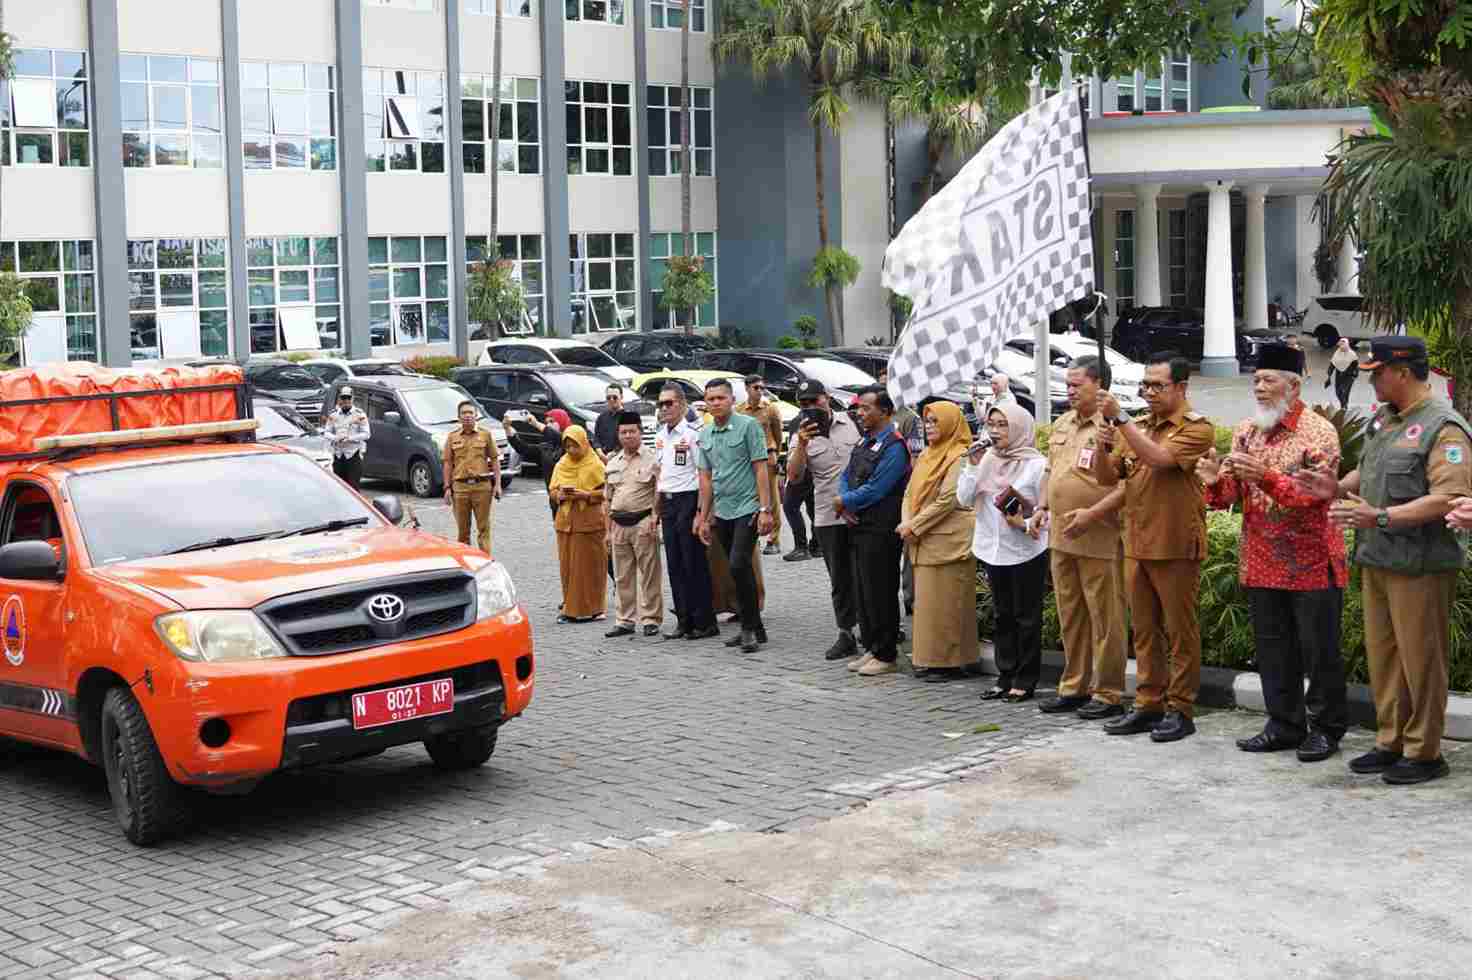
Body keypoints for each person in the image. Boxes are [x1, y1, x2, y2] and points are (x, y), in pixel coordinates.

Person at [1296, 335, 1472, 784]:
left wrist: (1381, 517)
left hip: (1420, 564)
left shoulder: (1443, 427)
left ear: (1404, 371)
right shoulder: (1385, 418)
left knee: (1421, 661)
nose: (1370, 381)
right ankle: (1390, 740)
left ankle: (1425, 751)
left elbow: (1450, 497)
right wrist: (1334, 487)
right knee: (1385, 658)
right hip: (1378, 558)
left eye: (1378, 374)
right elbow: (1370, 468)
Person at [1198, 345, 1349, 762]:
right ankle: (1283, 724)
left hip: (1311, 559)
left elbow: (1309, 496)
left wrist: (1265, 476)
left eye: (1268, 380)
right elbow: (1230, 492)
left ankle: (1327, 728)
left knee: (1319, 650)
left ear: (1293, 385)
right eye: (1256, 380)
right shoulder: (1248, 430)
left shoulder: (1318, 433)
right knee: (1273, 648)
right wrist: (1214, 481)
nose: (1259, 388)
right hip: (1262, 558)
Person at [1093, 353, 1216, 742]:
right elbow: (1107, 477)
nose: (1149, 393)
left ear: (1181, 387)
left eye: (1157, 386)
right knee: (1144, 631)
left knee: (1180, 632)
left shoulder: (1197, 429)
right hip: (1138, 542)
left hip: (1176, 544)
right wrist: (1101, 445)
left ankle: (1181, 707)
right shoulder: (1140, 426)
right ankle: (1148, 703)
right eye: (1145, 385)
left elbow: (1160, 459)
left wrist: (1123, 422)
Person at [1032, 356, 1128, 720]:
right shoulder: (1063, 423)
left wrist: (1092, 514)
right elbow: (1050, 472)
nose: (1069, 391)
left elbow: (1127, 486)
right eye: (1067, 384)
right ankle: (1073, 686)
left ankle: (1108, 692)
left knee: (1106, 617)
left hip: (1099, 535)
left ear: (1100, 385)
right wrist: (1041, 506)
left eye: (1077, 385)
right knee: (1070, 615)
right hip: (1061, 534)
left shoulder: (1115, 428)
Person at [959, 403, 1048, 701]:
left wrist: (1023, 521)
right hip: (993, 549)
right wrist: (972, 465)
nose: (994, 432)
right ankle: (1005, 675)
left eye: (1002, 425)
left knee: (1027, 617)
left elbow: (1045, 512)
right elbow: (963, 499)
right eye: (991, 424)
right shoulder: (986, 460)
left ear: (1020, 428)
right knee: (1002, 616)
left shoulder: (1036, 464)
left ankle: (1026, 678)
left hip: (1025, 550)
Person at [899, 401, 977, 683]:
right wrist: (908, 521)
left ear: (950, 424)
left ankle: (951, 662)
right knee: (929, 606)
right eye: (926, 422)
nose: (929, 427)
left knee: (948, 604)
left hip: (947, 539)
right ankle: (930, 659)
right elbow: (909, 492)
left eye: (935, 422)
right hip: (922, 537)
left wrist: (914, 525)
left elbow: (948, 500)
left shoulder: (960, 455)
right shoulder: (927, 455)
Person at [695, 378, 775, 653]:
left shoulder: (748, 426)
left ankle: (749, 628)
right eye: (711, 399)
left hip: (748, 507)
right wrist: (703, 517)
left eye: (720, 398)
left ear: (731, 399)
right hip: (723, 511)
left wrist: (766, 509)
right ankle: (755, 626)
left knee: (739, 564)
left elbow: (760, 468)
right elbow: (705, 480)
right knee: (734, 568)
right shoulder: (704, 435)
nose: (715, 403)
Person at [787, 378, 863, 661]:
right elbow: (794, 477)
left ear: (827, 398)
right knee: (840, 578)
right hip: (828, 515)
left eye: (814, 401)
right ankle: (846, 633)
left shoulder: (853, 421)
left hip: (861, 511)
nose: (810, 408)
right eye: (803, 404)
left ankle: (871, 626)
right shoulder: (800, 435)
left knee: (866, 574)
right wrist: (802, 446)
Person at [838, 386, 911, 676]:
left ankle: (886, 652)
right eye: (858, 408)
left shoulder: (894, 446)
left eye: (866, 408)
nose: (860, 413)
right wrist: (844, 502)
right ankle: (870, 646)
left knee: (880, 590)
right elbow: (846, 475)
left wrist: (845, 501)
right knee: (863, 589)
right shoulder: (864, 441)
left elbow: (879, 487)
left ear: (885, 412)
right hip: (858, 524)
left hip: (880, 527)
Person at [654, 384, 718, 640]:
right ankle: (684, 620)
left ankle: (704, 621)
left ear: (681, 404)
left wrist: (701, 513)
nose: (664, 408)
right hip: (668, 503)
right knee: (675, 565)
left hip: (688, 500)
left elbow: (703, 474)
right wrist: (656, 509)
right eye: (661, 404)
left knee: (694, 564)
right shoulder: (660, 435)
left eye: (669, 403)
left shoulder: (692, 434)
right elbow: (661, 474)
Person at [604, 411, 664, 638]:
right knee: (622, 576)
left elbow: (659, 491)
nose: (627, 436)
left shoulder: (652, 459)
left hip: (643, 521)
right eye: (623, 432)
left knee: (649, 573)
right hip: (618, 524)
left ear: (640, 432)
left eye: (632, 431)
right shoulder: (612, 463)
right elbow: (607, 498)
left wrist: (655, 517)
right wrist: (607, 530)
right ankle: (625, 620)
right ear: (618, 435)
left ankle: (651, 618)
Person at [548, 426, 608, 624]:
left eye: (575, 446)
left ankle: (596, 608)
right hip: (565, 524)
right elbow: (553, 491)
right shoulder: (562, 464)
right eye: (567, 447)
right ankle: (571, 608)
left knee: (591, 567)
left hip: (589, 523)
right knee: (568, 568)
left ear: (584, 443)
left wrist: (587, 495)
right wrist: (560, 495)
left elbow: (607, 492)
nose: (571, 451)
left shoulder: (595, 465)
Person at [441, 400, 502, 554]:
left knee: (483, 529)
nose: (467, 416)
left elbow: (495, 459)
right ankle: (467, 563)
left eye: (470, 413)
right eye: (464, 413)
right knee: (463, 532)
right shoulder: (452, 437)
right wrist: (447, 488)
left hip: (482, 487)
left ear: (476, 416)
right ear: (459, 417)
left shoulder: (485, 434)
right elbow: (447, 463)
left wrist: (498, 485)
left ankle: (486, 562)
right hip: (460, 489)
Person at [735, 375, 785, 556]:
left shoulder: (770, 409)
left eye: (762, 388)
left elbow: (778, 435)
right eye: (756, 387)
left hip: (767, 456)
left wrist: (775, 454)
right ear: (747, 388)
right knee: (749, 497)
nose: (759, 391)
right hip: (747, 459)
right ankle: (750, 536)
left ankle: (774, 538)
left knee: (772, 499)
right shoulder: (739, 410)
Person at [527, 408, 573, 518]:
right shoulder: (547, 445)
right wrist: (509, 430)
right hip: (555, 496)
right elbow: (525, 449)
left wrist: (536, 424)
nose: (548, 425)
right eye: (546, 422)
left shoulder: (571, 439)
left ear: (562, 421)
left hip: (572, 497)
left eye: (552, 421)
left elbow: (561, 439)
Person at [322, 386, 369, 489]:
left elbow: (366, 434)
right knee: (339, 487)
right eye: (343, 398)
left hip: (353, 454)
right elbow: (326, 432)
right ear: (340, 399)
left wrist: (350, 438)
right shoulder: (333, 414)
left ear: (352, 398)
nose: (346, 400)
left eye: (348, 398)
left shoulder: (359, 414)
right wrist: (335, 437)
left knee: (353, 487)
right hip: (338, 455)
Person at [592, 383, 626, 460]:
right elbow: (596, 438)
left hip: (621, 459)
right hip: (602, 458)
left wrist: (614, 453)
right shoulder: (601, 417)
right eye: (608, 398)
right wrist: (600, 453)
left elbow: (628, 440)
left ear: (621, 397)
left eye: (615, 397)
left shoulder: (627, 417)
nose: (611, 400)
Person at [1325, 338, 1359, 412]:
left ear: (1347, 345)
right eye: (1340, 346)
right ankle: (1343, 405)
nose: (1341, 347)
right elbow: (1332, 365)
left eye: (1343, 345)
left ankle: (1344, 406)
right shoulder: (1337, 353)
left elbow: (1356, 366)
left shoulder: (1352, 354)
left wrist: (1355, 375)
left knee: (1344, 391)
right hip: (1339, 376)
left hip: (1349, 376)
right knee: (1338, 392)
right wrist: (1329, 376)